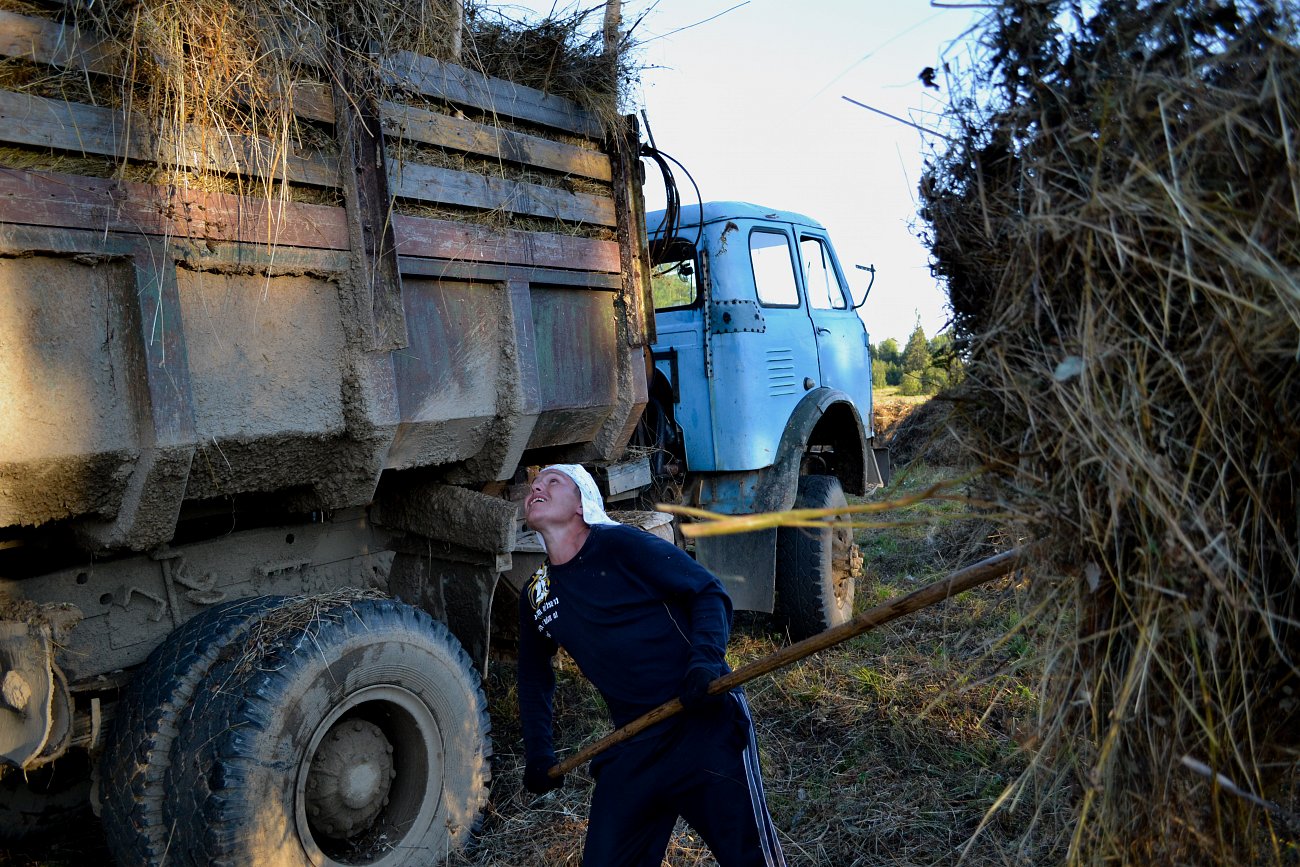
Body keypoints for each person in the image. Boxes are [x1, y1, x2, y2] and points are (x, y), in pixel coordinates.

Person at [516, 464, 787, 867]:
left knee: (749, 858)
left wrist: (704, 664)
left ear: (581, 503)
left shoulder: (621, 544)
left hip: (699, 718)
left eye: (553, 481)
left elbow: (708, 593)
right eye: (534, 484)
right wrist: (539, 753)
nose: (537, 485)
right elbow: (534, 675)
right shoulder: (537, 593)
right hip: (634, 740)